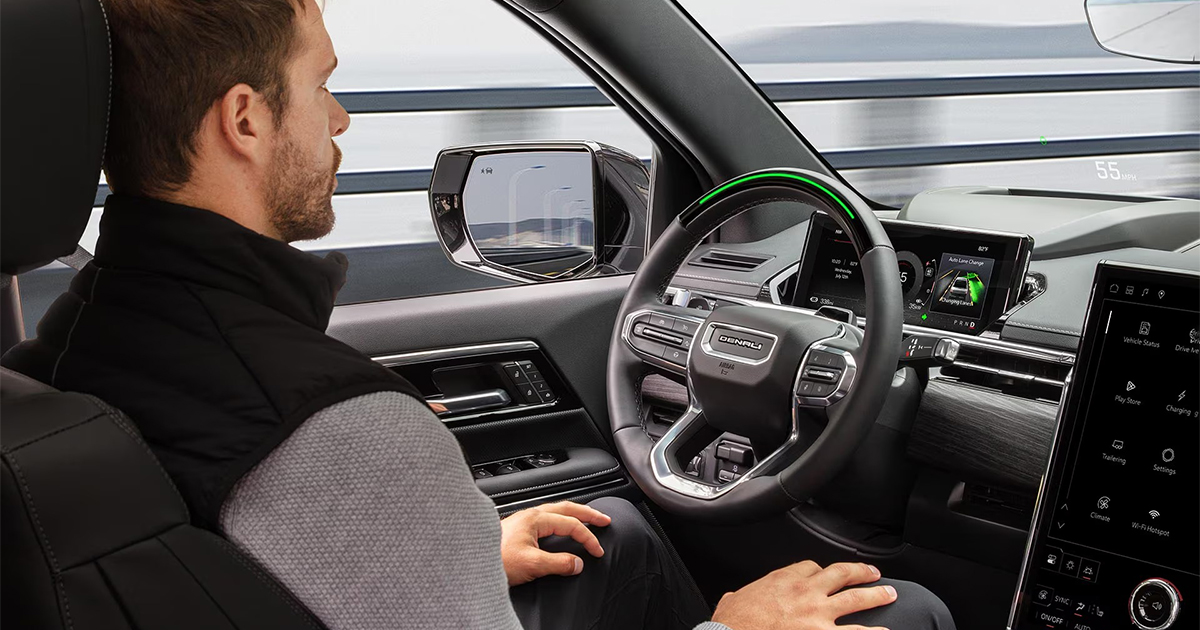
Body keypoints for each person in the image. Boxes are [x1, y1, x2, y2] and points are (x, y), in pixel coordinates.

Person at [1, 1, 956, 629]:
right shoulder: (339, 433)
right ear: (244, 118)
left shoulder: (78, 339)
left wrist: (447, 554)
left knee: (609, 535)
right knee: (900, 609)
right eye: (321, 83)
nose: (339, 122)